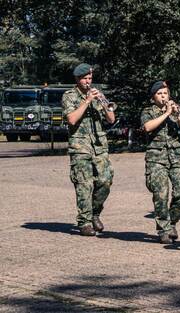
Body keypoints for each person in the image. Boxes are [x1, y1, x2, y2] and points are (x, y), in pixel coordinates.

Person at [62, 64, 115, 236]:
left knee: (105, 182)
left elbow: (111, 119)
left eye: (90, 78)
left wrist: (104, 103)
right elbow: (71, 119)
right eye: (85, 79)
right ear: (77, 79)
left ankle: (95, 213)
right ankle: (84, 222)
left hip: (99, 145)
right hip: (80, 147)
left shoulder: (97, 94)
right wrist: (87, 101)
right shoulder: (69, 96)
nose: (88, 82)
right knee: (84, 184)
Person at [141, 81, 180, 244]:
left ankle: (171, 223)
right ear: (153, 97)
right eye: (160, 94)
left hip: (176, 156)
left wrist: (177, 116)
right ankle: (163, 229)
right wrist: (166, 113)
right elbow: (147, 127)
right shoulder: (148, 111)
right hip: (156, 158)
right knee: (161, 194)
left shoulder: (175, 112)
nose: (164, 96)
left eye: (166, 93)